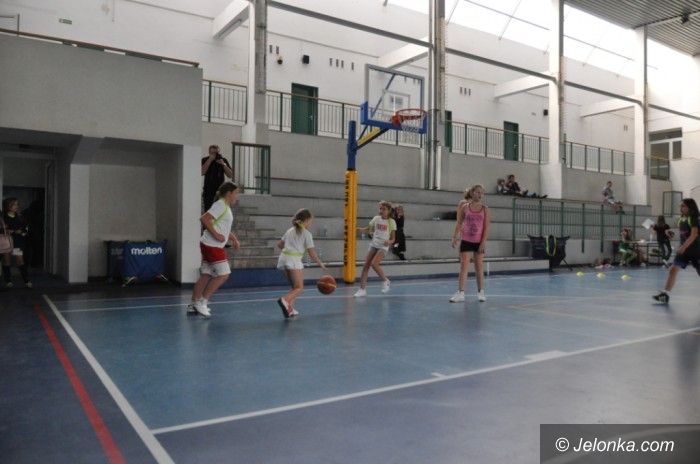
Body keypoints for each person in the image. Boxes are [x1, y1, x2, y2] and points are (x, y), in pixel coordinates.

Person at [188, 182, 241, 318]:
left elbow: (222, 227)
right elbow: (204, 218)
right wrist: (216, 235)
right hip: (212, 245)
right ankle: (202, 302)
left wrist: (234, 239)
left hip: (208, 244)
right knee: (224, 274)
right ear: (229, 193)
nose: (237, 196)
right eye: (236, 193)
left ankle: (193, 304)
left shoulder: (225, 207)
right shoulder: (221, 204)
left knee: (206, 274)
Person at [276, 209, 327, 318]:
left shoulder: (290, 230)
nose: (311, 223)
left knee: (294, 287)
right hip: (293, 260)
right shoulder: (307, 234)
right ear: (306, 220)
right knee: (299, 288)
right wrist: (320, 263)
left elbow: (279, 244)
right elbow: (312, 253)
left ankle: (290, 308)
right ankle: (284, 300)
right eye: (311, 221)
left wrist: (289, 247)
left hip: (283, 258)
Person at [653, 199, 700, 304]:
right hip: (684, 251)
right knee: (673, 270)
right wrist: (670, 234)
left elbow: (694, 235)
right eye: (680, 206)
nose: (681, 208)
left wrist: (683, 247)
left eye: (683, 206)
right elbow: (683, 234)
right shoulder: (681, 219)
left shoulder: (694, 218)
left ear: (690, 207)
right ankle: (665, 295)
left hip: (696, 251)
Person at [450, 184, 491, 302]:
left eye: (481, 193)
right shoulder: (465, 207)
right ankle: (461, 293)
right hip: (466, 240)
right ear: (472, 193)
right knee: (464, 266)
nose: (480, 194)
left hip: (479, 242)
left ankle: (481, 292)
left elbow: (486, 228)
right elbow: (459, 223)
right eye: (477, 192)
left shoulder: (485, 209)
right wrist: (455, 237)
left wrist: (483, 242)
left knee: (479, 267)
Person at [354, 201, 396, 297]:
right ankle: (362, 289)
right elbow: (368, 229)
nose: (381, 210)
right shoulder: (376, 218)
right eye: (380, 208)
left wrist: (389, 242)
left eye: (384, 209)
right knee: (366, 266)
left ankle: (385, 280)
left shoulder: (391, 222)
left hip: (383, 246)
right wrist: (359, 229)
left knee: (374, 264)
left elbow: (393, 239)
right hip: (374, 244)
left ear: (389, 211)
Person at [2, 198, 32, 288]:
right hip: (7, 242)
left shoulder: (20, 216)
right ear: (8, 206)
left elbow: (26, 228)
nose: (16, 206)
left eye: (17, 204)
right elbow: (1, 229)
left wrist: (22, 232)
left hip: (17, 242)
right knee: (7, 260)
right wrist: (6, 230)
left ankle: (26, 281)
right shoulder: (3, 217)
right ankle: (8, 281)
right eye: (14, 204)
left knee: (20, 260)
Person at [201, 144, 233, 212]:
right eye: (213, 153)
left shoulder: (223, 160)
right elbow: (202, 172)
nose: (215, 155)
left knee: (220, 211)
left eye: (216, 153)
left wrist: (223, 164)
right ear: (209, 153)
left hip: (220, 191)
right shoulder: (205, 160)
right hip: (208, 191)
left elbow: (230, 175)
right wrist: (209, 160)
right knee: (208, 211)